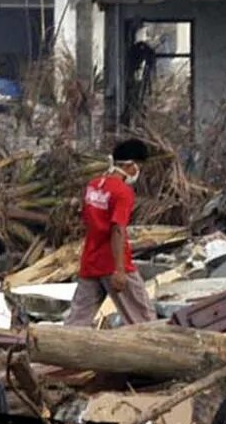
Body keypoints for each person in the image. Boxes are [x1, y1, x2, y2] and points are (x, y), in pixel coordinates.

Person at [66, 138, 158, 326]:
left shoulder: (93, 185)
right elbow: (117, 229)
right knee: (143, 320)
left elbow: (86, 218)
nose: (138, 171)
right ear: (131, 165)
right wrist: (119, 269)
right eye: (138, 166)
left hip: (91, 261)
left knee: (76, 322)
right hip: (113, 262)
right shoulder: (123, 192)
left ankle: (57, 353)